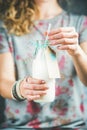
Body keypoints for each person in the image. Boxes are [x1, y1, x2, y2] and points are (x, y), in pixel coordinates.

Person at [0, 0, 87, 130]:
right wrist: (19, 89)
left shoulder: (80, 24)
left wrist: (77, 52)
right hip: (21, 126)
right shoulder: (7, 27)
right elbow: (3, 81)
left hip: (72, 124)